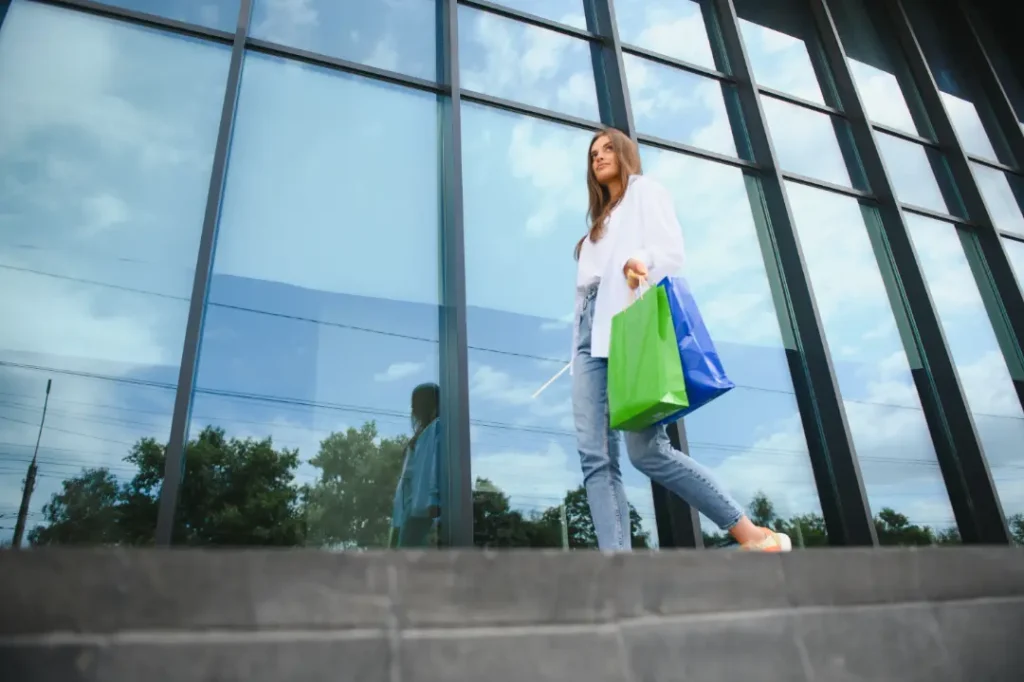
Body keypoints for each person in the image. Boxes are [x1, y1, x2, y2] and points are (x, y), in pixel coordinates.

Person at [571, 127, 791, 552]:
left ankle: (751, 534)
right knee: (594, 456)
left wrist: (643, 260)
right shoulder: (597, 226)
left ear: (624, 152)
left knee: (646, 451)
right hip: (586, 333)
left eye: (606, 149)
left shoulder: (645, 192)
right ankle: (616, 564)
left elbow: (671, 250)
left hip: (625, 324)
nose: (598, 157)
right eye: (592, 153)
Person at [390, 382, 442, 548]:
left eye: (416, 404)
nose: (413, 409)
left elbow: (436, 461)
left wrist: (433, 498)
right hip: (410, 510)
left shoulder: (436, 428)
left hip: (422, 509)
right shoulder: (421, 435)